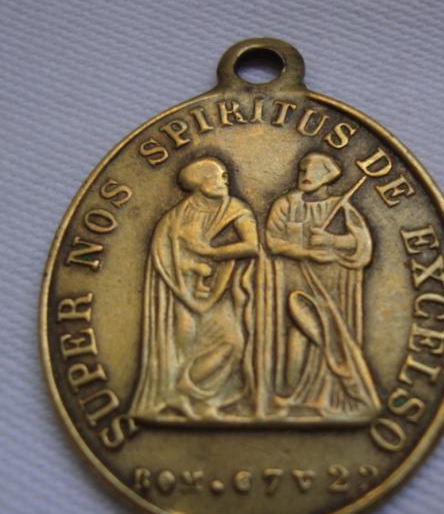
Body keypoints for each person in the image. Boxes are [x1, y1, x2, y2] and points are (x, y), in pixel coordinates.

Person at [129, 156, 259, 421]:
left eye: (225, 176)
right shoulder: (175, 218)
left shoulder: (235, 209)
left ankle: (188, 392)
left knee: (232, 341)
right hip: (181, 291)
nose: (225, 180)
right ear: (200, 182)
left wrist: (211, 252)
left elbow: (251, 246)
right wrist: (189, 269)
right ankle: (193, 405)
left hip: (220, 289)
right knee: (184, 344)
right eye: (218, 176)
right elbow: (163, 257)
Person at [264, 151, 380, 421]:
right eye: (302, 170)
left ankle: (334, 394)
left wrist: (332, 241)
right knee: (298, 336)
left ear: (327, 176)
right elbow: (272, 240)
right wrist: (304, 252)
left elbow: (362, 244)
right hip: (295, 279)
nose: (304, 176)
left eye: (311, 171)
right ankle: (296, 395)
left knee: (331, 336)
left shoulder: (341, 206)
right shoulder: (285, 204)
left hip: (331, 283)